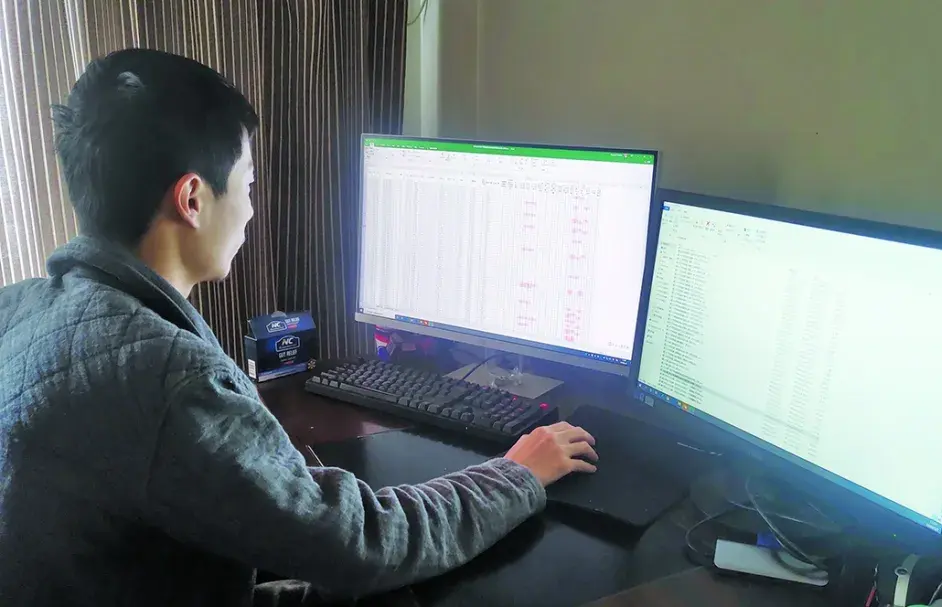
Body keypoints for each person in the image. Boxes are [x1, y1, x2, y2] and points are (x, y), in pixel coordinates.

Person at [0, 48, 598, 606]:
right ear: (192, 199)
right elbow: (365, 542)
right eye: (247, 184)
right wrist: (517, 474)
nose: (251, 209)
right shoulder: (169, 378)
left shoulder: (19, 308)